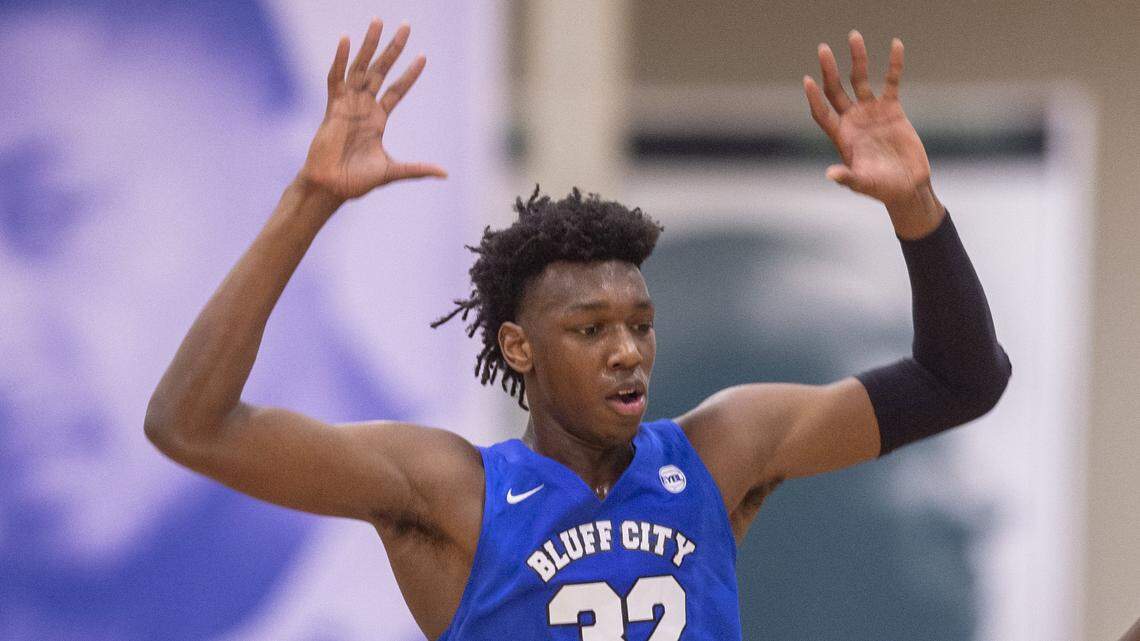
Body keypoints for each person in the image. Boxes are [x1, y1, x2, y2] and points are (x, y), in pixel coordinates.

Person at [146, 18, 1011, 640]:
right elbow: (190, 424)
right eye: (591, 328)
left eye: (640, 322)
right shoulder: (451, 489)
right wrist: (311, 200)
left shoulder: (717, 450)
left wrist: (916, 209)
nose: (628, 348)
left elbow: (961, 380)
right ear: (520, 348)